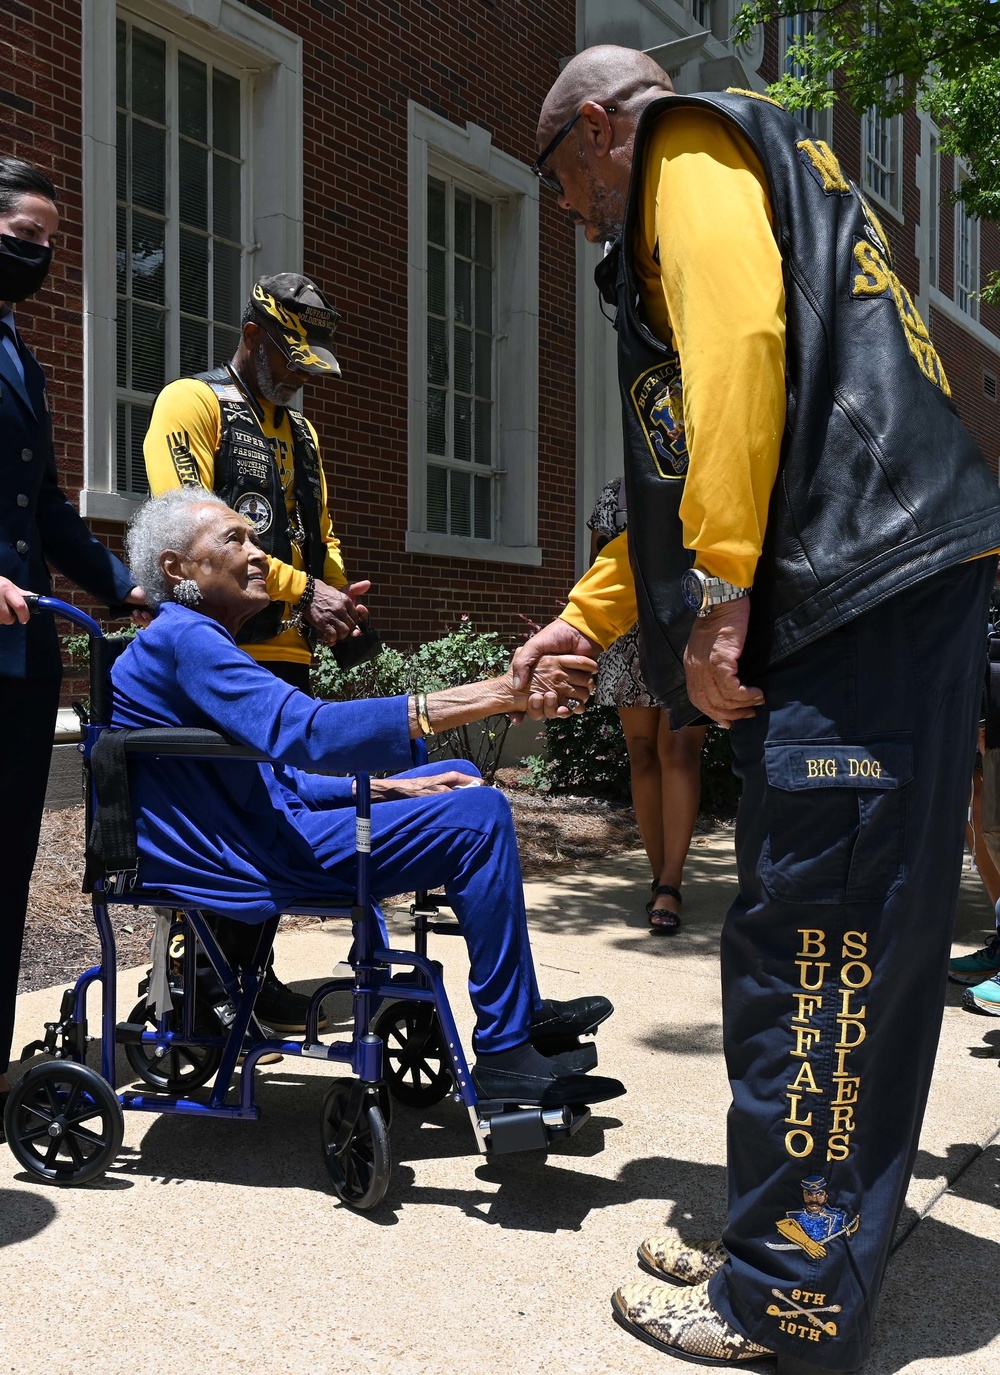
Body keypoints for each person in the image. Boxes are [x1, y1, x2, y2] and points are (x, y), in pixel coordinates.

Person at [513, 46, 1000, 1374]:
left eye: (565, 182)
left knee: (816, 938)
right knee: (869, 941)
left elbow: (742, 355)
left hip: (857, 587)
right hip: (902, 574)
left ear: (601, 129)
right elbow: (683, 451)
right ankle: (811, 1227)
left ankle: (782, 1292)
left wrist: (725, 582)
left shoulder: (689, 147)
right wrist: (594, 612)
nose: (572, 214)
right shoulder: (765, 168)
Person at [112, 488, 624, 1108]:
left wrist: (396, 785)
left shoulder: (187, 639)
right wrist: (500, 693)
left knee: (457, 775)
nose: (258, 553)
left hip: (258, 827)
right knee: (481, 815)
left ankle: (522, 1013)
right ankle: (507, 1050)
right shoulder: (188, 640)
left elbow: (279, 776)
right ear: (176, 569)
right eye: (233, 540)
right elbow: (313, 735)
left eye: (253, 537)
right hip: (248, 855)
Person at [143, 272, 366, 1031]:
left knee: (279, 818)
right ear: (250, 337)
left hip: (289, 657)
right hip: (219, 654)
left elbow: (319, 528)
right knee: (221, 826)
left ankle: (251, 976)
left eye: (311, 365)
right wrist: (307, 590)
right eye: (292, 359)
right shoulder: (193, 403)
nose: (303, 377)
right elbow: (192, 525)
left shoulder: (301, 432)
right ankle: (194, 988)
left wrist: (336, 598)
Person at [0, 157, 145, 1129]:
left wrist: (121, 585)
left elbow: (47, 506)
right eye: (27, 235)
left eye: (52, 240)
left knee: (8, 865)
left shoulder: (23, 354)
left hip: (22, 660)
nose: (43, 254)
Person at [588, 475, 706, 931]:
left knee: (679, 750)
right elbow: (598, 567)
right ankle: (659, 875)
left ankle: (671, 883)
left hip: (687, 629)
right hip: (628, 635)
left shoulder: (703, 480)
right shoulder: (614, 492)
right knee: (641, 753)